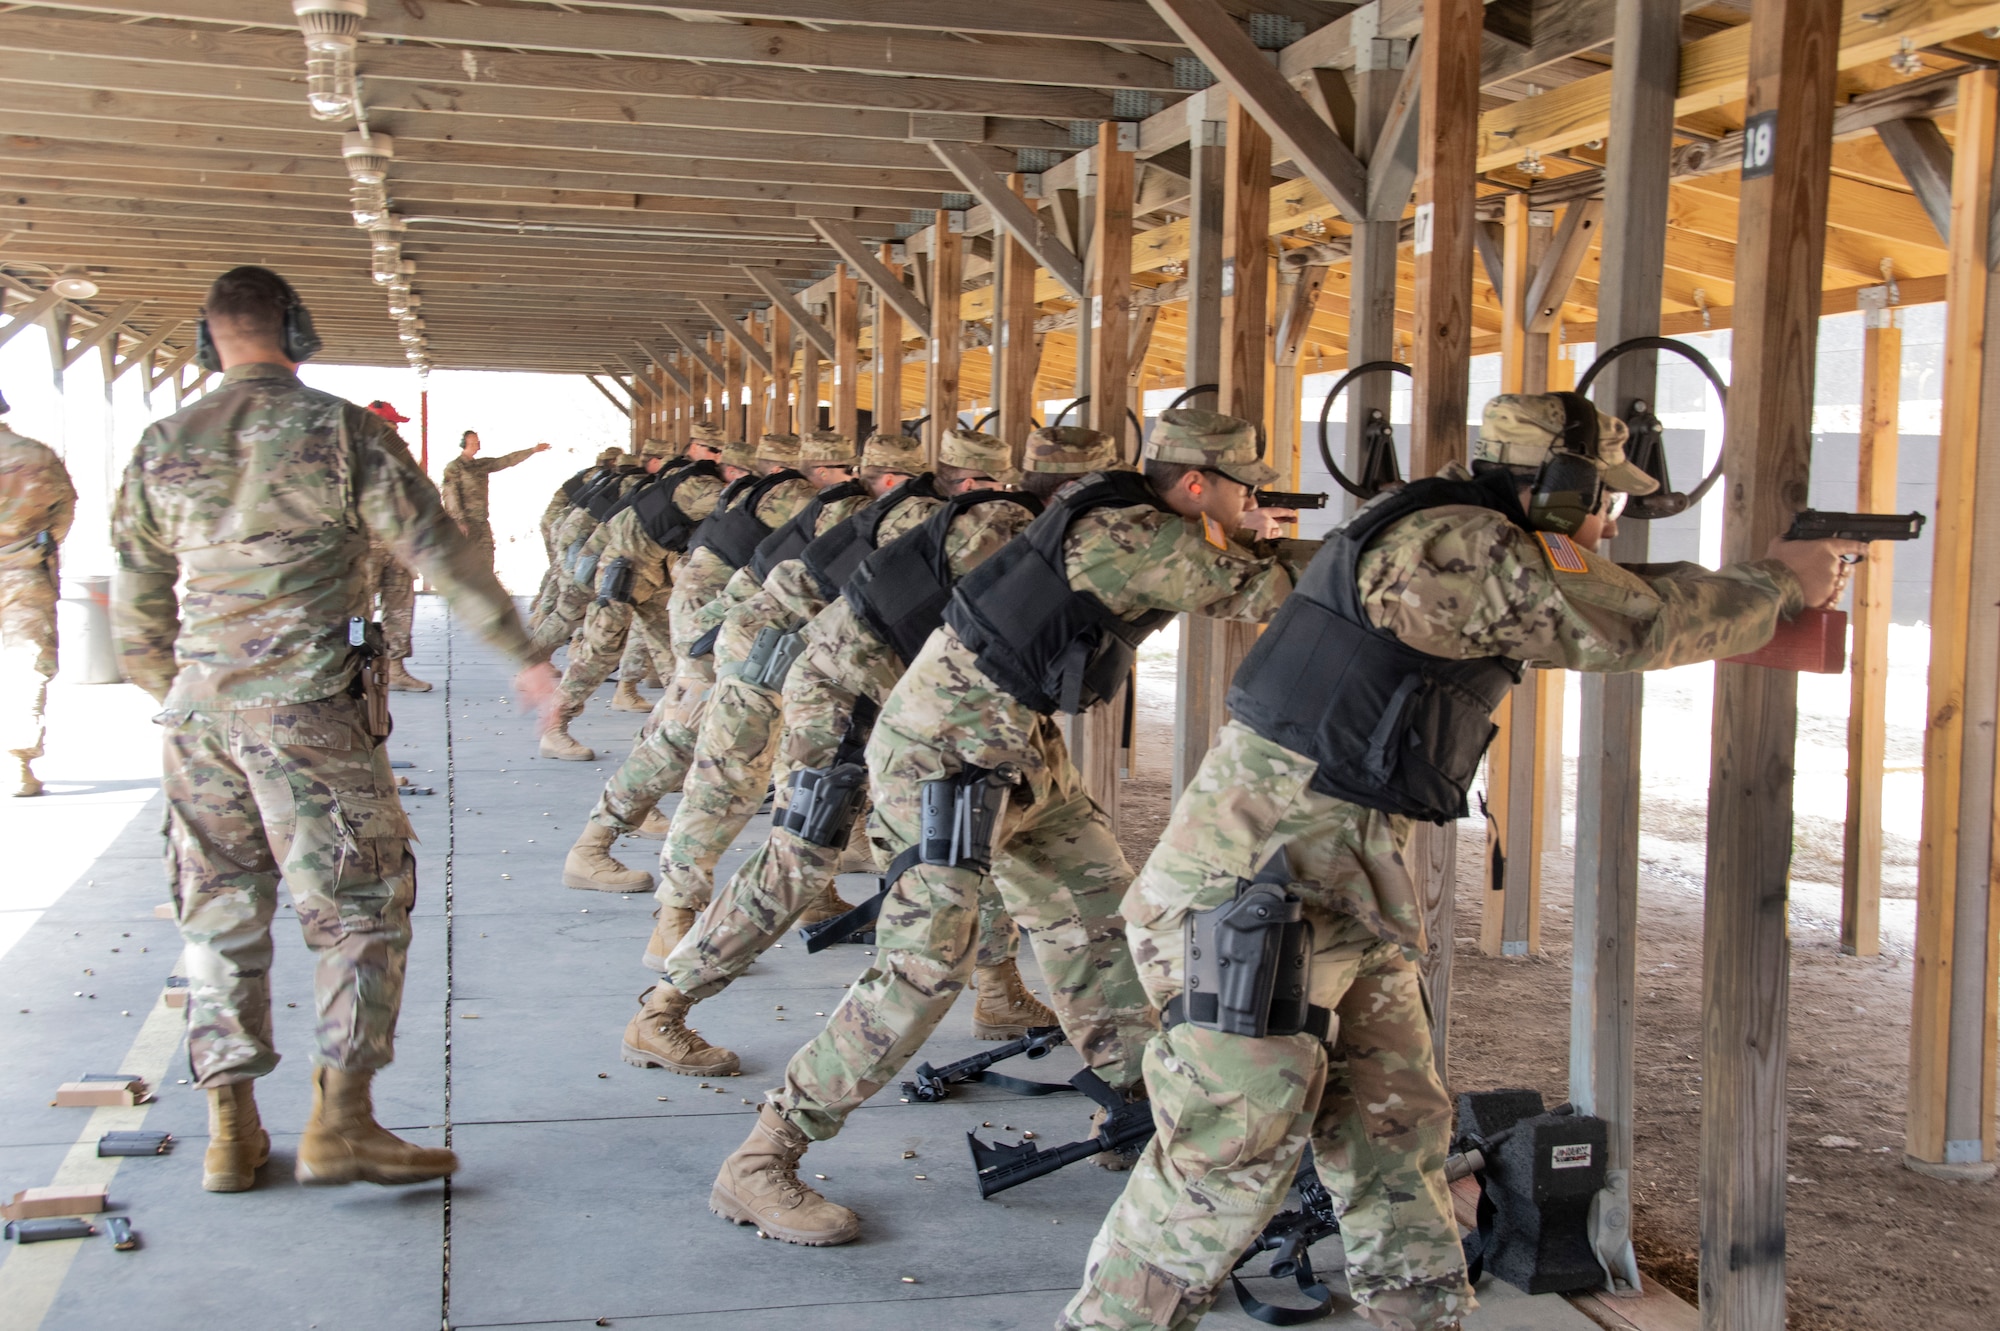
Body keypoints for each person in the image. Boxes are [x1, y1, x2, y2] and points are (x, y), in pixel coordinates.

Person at [1059, 391, 1866, 1331]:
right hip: (1257, 890)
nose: (1608, 519)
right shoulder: (1455, 548)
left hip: (1336, 888)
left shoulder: (1470, 535)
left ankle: (1422, 1314)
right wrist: (1780, 581)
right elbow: (1632, 624)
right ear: (1558, 484)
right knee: (1226, 1158)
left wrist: (1762, 582)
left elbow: (1612, 595)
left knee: (1397, 1132)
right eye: (1602, 494)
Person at [709, 409, 1302, 1247]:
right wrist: (1307, 548)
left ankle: (1134, 1112)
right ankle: (765, 1156)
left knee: (1099, 917)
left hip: (1016, 749)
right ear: (1199, 484)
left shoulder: (1135, 517)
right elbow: (1269, 593)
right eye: (1246, 488)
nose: (1253, 502)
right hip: (944, 756)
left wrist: (1257, 533)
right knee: (922, 967)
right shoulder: (1133, 530)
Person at [110, 266, 560, 1196]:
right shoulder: (341, 432)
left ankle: (230, 1134)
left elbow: (138, 613)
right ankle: (341, 1121)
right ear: (298, 329)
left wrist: (195, 693)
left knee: (221, 912)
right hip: (310, 709)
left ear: (208, 338)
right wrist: (522, 650)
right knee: (359, 906)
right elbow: (437, 548)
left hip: (198, 717)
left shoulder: (162, 443)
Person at [623, 427, 1086, 1079]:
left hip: (877, 678)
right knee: (800, 845)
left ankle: (1000, 986)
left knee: (974, 826)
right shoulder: (967, 524)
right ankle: (663, 1007)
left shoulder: (948, 517)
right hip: (818, 671)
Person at [0, 387, 76, 797]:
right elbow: (63, 511)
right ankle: (17, 765)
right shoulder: (35, 457)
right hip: (23, 573)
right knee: (25, 664)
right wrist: (36, 547)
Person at [361, 401, 427, 692]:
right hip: (365, 547)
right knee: (358, 610)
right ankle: (351, 671)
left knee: (400, 608)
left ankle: (395, 668)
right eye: (392, 425)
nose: (397, 430)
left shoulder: (400, 457)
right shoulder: (354, 455)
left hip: (398, 546)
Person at [439, 427, 550, 578]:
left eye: (477, 442)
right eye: (472, 442)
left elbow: (506, 461)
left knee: (486, 564)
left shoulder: (480, 465)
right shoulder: (454, 467)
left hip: (481, 522)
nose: (475, 445)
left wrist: (532, 450)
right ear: (463, 444)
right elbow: (450, 495)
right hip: (465, 523)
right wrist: (459, 521)